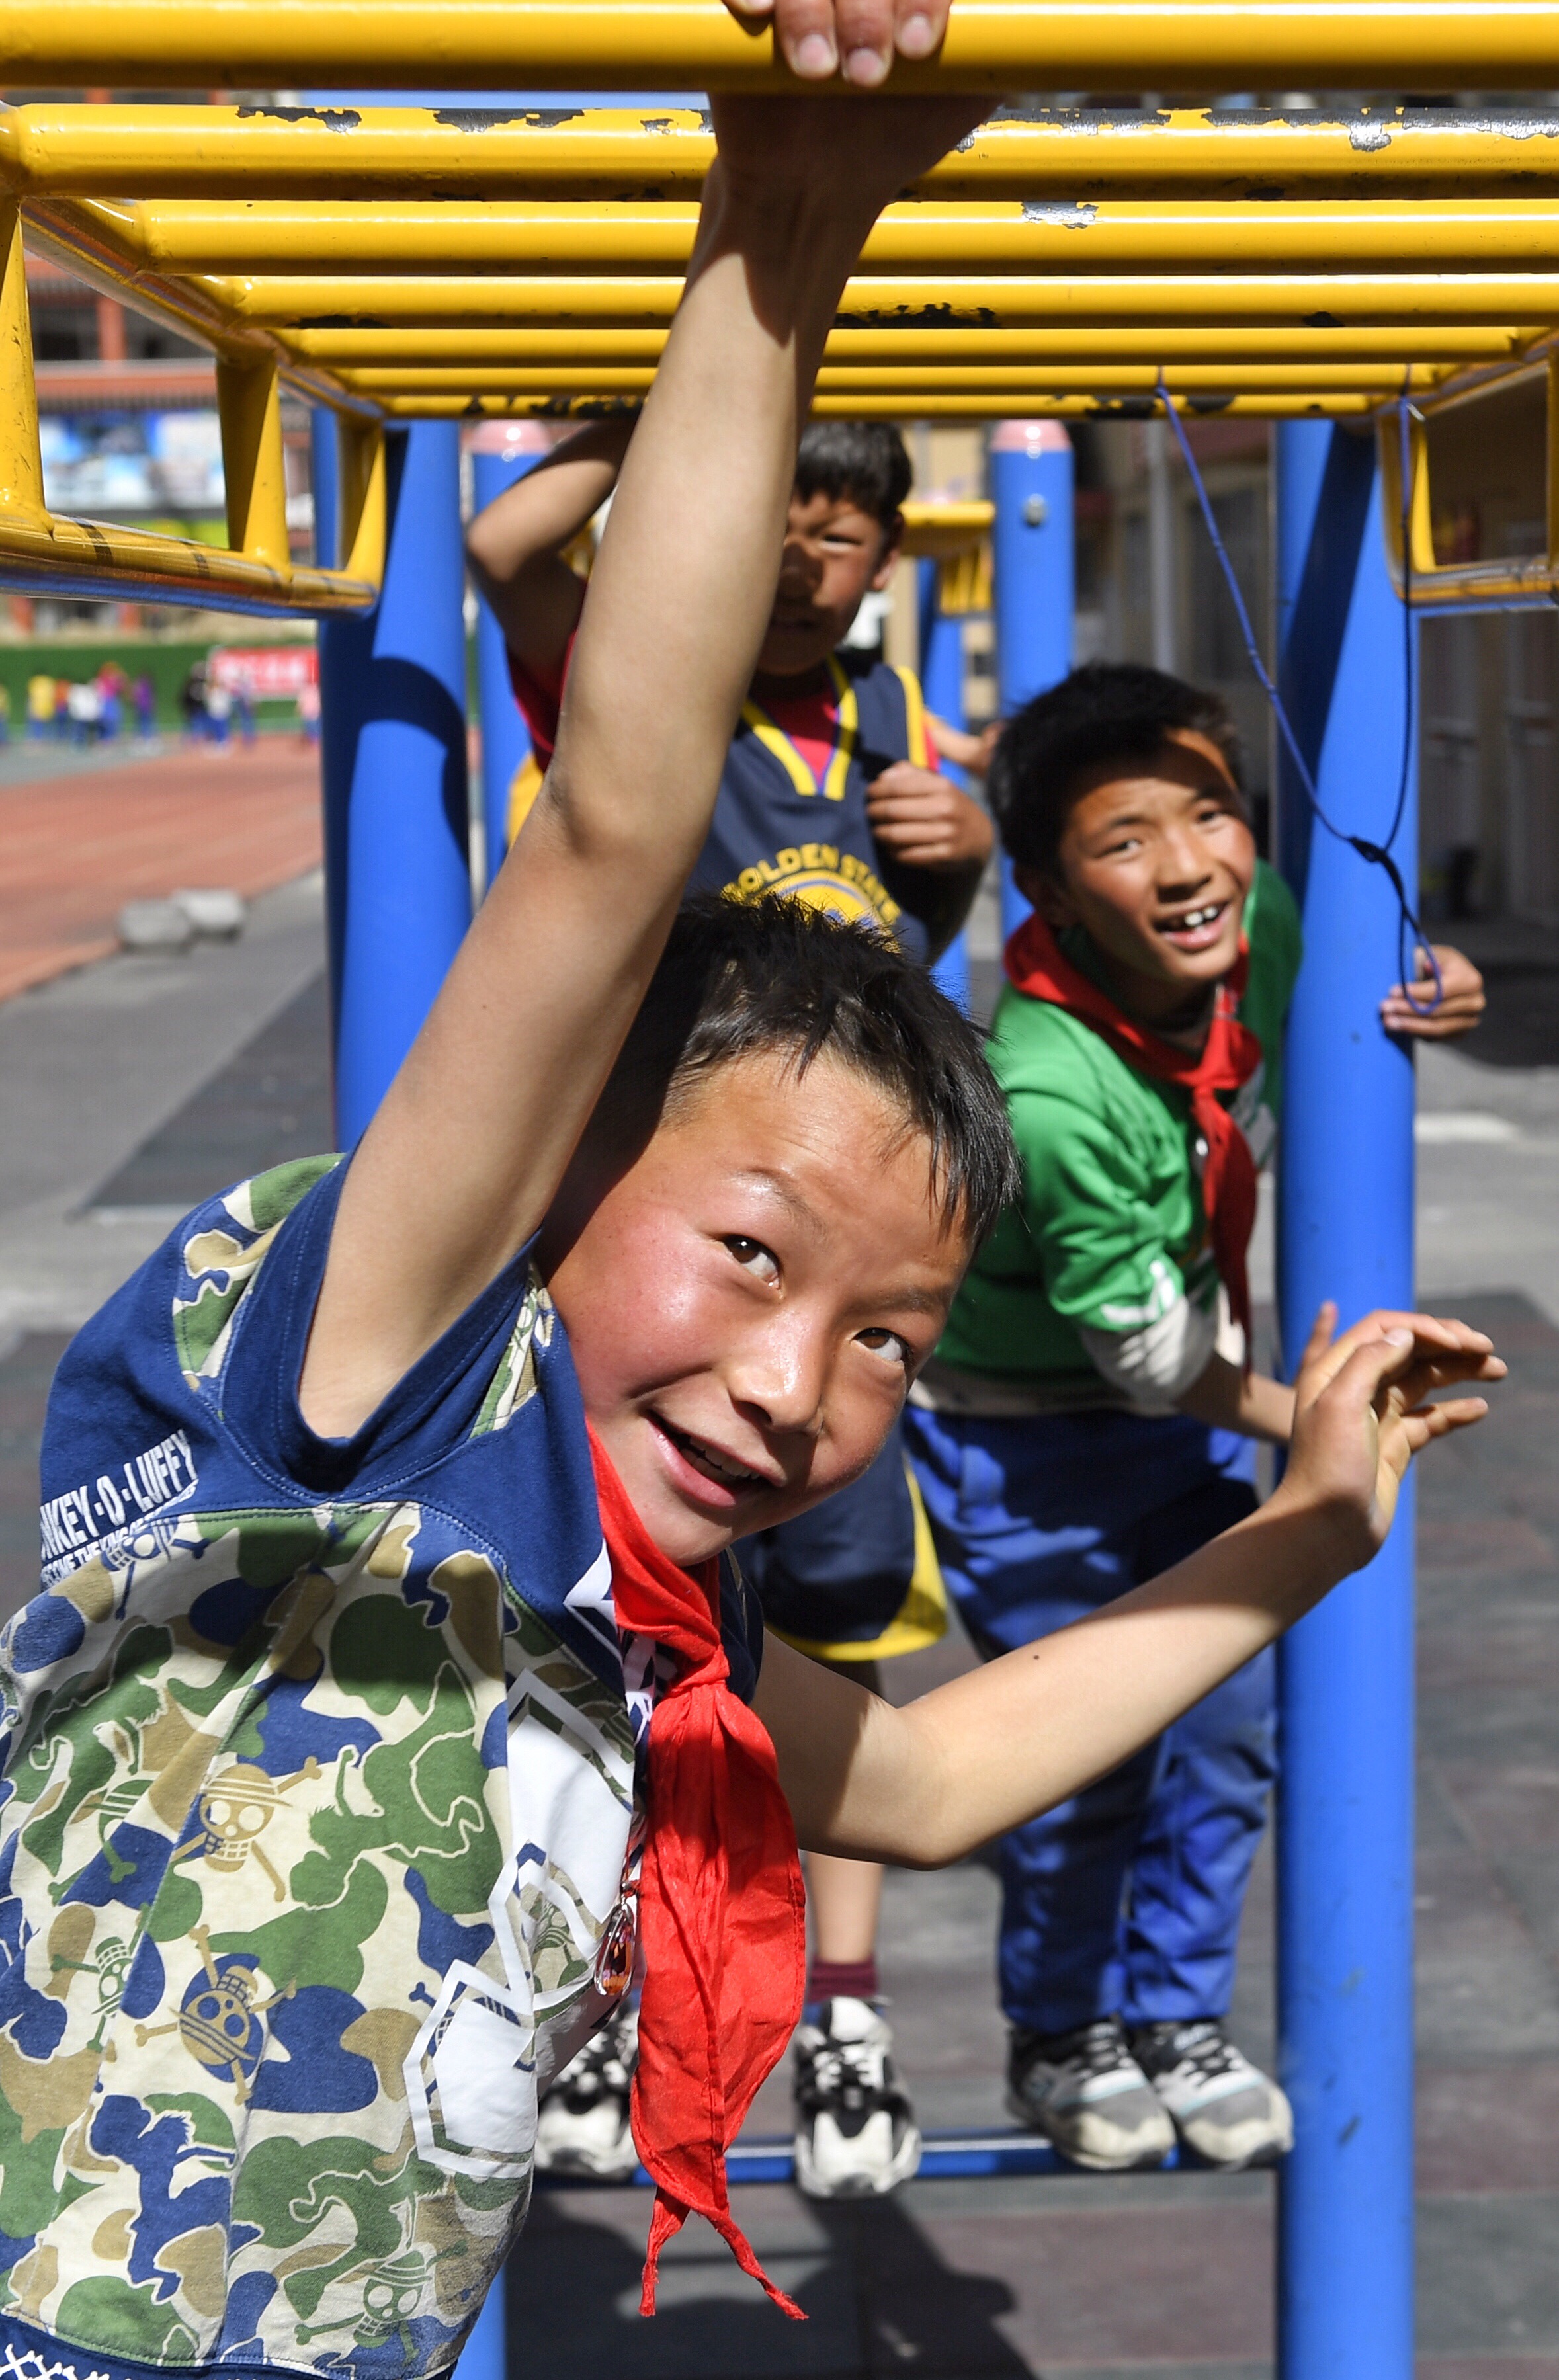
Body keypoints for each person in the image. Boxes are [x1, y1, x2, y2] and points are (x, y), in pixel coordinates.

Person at [0, 84, 1499, 2380]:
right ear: (551, 1184)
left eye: (892, 1332)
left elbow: (923, 1775)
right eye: (753, 1255)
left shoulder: (612, 1608)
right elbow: (614, 823)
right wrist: (777, 230)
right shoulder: (370, 1404)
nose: (806, 1381)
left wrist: (1305, 1524)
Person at [468, 413, 993, 2197]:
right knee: (609, 1650)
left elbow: (932, 988)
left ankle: (840, 2018)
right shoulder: (655, 692)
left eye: (836, 531)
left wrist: (967, 848)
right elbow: (507, 563)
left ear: (876, 558)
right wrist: (659, 419)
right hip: (685, 1242)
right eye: (770, 514)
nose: (796, 556)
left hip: (828, 1258)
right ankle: (604, 1993)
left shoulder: (903, 731)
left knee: (834, 1649)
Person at [904, 661, 1486, 2176]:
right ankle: (1057, 2033)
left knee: (1227, 1730)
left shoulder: (1263, 923)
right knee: (1081, 1760)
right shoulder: (1043, 1085)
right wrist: (1316, 1419)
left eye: (1210, 815)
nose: (1184, 867)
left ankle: (1172, 2015)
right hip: (1026, 1438)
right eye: (1121, 840)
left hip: (1173, 1416)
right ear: (1042, 884)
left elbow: (1352, 990)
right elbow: (1147, 1354)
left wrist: (1425, 979)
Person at [26, 673, 54, 741]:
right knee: (42, 725)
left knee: (35, 724)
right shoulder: (48, 682)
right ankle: (41, 738)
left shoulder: (34, 681)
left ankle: (35, 739)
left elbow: (30, 695)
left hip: (36, 706)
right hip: (45, 707)